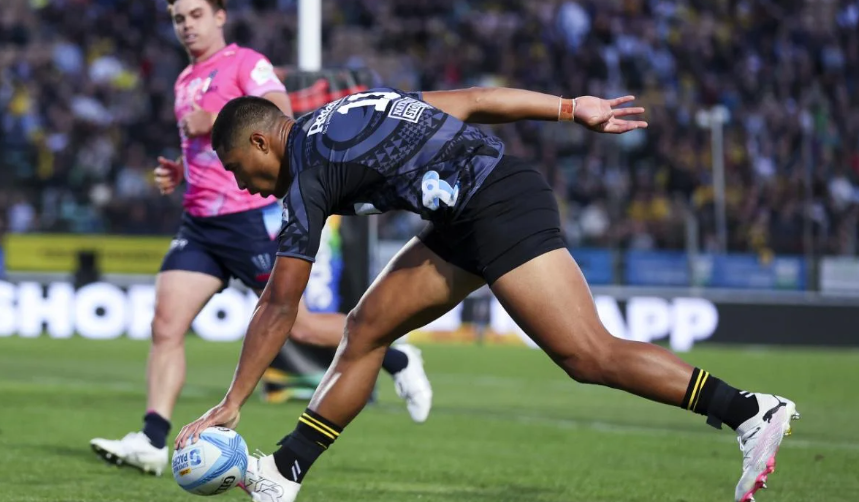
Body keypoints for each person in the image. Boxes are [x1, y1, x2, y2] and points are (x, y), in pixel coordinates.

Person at [175, 87, 800, 502]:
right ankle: (283, 473)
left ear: (262, 142)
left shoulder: (308, 174)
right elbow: (471, 100)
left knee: (587, 355)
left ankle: (750, 410)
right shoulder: (341, 110)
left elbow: (279, 304)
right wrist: (566, 106)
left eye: (236, 169)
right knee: (365, 330)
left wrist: (231, 402)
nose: (243, 185)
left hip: (497, 205)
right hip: (463, 214)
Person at [89, 0, 432, 476]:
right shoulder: (184, 80)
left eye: (195, 15)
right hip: (199, 223)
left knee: (302, 327)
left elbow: (279, 115)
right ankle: (151, 439)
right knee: (166, 325)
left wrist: (212, 121)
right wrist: (181, 169)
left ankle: (396, 354)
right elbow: (208, 154)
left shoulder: (248, 64)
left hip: (248, 218)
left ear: (219, 16)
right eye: (178, 19)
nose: (187, 26)